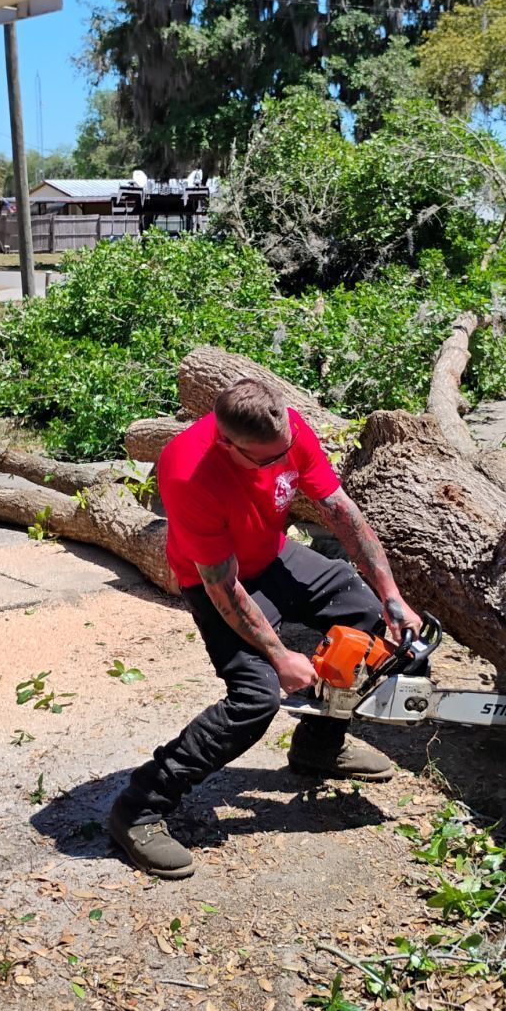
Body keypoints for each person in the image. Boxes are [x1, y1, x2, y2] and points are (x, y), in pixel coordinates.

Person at [108, 376, 422, 878]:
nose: (281, 465)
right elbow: (223, 588)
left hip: (273, 554)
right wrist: (280, 656)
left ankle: (320, 745)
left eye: (285, 453)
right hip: (218, 581)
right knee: (255, 698)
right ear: (227, 444)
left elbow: (341, 511)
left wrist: (391, 594)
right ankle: (139, 808)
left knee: (363, 618)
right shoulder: (188, 472)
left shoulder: (286, 428)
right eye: (268, 460)